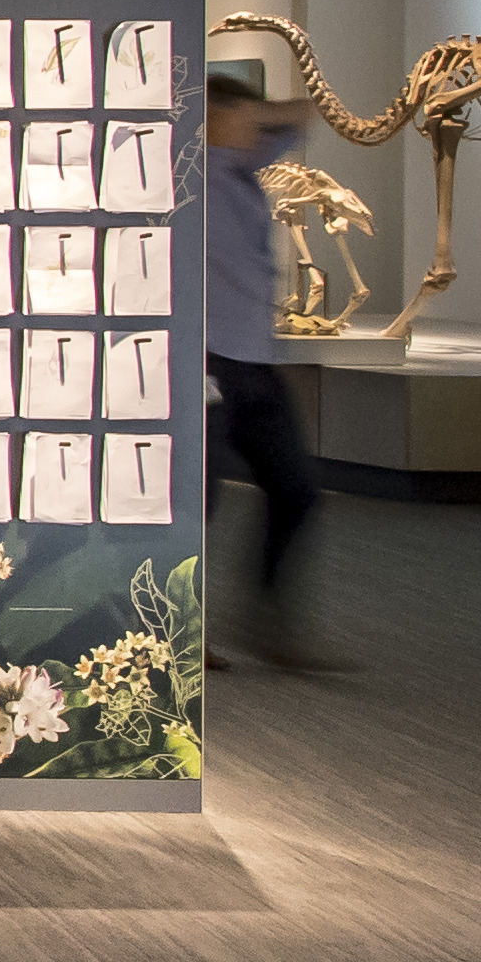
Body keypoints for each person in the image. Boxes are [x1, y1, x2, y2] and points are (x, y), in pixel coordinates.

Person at [200, 64, 341, 668]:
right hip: (202, 361)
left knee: (296, 491)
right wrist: (213, 113)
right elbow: (261, 121)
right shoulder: (193, 171)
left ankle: (268, 621)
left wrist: (243, 116)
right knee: (195, 503)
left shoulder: (245, 171)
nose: (259, 135)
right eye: (242, 120)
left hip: (255, 362)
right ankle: (179, 629)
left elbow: (301, 116)